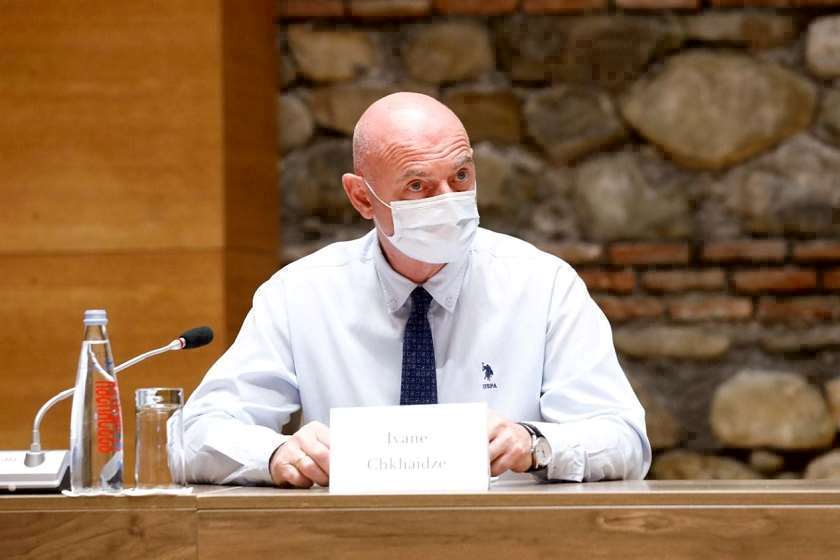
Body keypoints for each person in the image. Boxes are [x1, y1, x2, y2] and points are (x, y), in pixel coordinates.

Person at [182, 92, 651, 488]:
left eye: (461, 176)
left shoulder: (542, 285)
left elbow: (624, 439)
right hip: (349, 543)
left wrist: (537, 444)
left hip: (506, 541)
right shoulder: (300, 294)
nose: (448, 201)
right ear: (362, 197)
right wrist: (275, 455)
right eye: (417, 185)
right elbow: (196, 434)